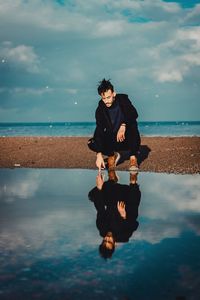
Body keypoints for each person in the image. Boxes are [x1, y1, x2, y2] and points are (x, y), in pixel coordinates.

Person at [88, 78, 141, 172]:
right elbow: (99, 129)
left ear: (114, 94)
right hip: (113, 140)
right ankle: (112, 155)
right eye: (103, 98)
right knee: (91, 142)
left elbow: (134, 114)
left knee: (133, 124)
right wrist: (98, 154)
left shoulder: (123, 100)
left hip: (127, 138)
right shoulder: (100, 109)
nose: (106, 101)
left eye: (108, 97)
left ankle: (133, 158)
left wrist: (123, 125)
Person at [88, 170, 141, 259]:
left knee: (92, 195)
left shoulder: (101, 227)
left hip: (113, 196)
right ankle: (133, 178)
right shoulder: (124, 236)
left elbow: (100, 209)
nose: (107, 238)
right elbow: (135, 224)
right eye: (110, 242)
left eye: (105, 241)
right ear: (115, 244)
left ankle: (112, 178)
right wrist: (124, 215)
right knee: (133, 207)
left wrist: (99, 188)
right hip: (128, 199)